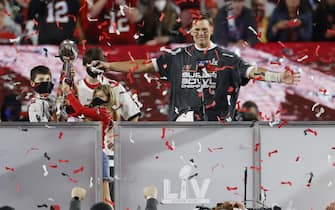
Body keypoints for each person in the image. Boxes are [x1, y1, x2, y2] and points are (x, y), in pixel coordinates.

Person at [94, 14, 300, 122]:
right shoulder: (176, 57)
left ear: (211, 30)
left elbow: (253, 71)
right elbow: (142, 66)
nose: (201, 33)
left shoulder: (228, 58)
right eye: (197, 30)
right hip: (183, 124)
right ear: (191, 32)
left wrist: (279, 77)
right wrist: (109, 65)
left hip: (216, 128)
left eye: (204, 29)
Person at [62, 83, 119, 205]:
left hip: (98, 154)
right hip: (86, 156)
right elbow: (74, 113)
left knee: (105, 196)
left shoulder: (104, 112)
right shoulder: (92, 111)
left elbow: (80, 110)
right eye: (96, 96)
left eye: (101, 96)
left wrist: (68, 93)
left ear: (109, 99)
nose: (97, 99)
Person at [77, 47, 140, 121]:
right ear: (84, 65)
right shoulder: (76, 88)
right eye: (91, 63)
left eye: (98, 64)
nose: (95, 67)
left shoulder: (115, 87)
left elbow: (133, 114)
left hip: (111, 131)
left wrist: (127, 132)